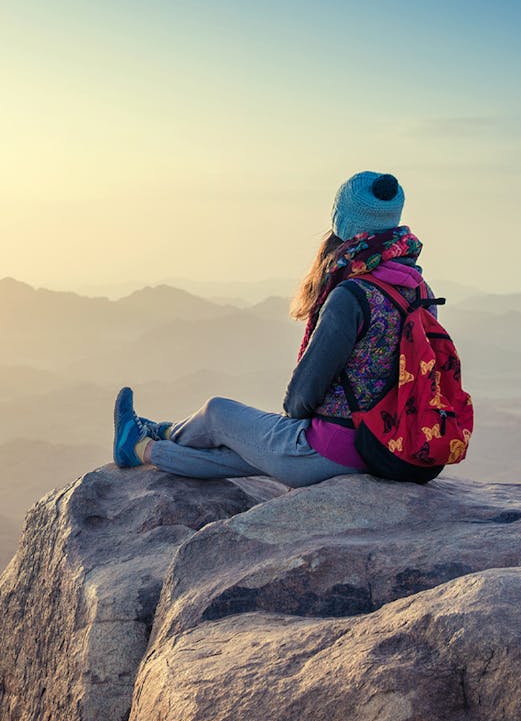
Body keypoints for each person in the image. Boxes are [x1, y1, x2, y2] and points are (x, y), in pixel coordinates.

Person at [112, 170, 434, 488]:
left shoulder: (351, 295)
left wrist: (292, 426)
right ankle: (143, 448)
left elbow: (302, 395)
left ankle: (160, 434)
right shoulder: (421, 292)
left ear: (343, 224)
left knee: (217, 412)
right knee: (243, 451)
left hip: (330, 449)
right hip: (387, 449)